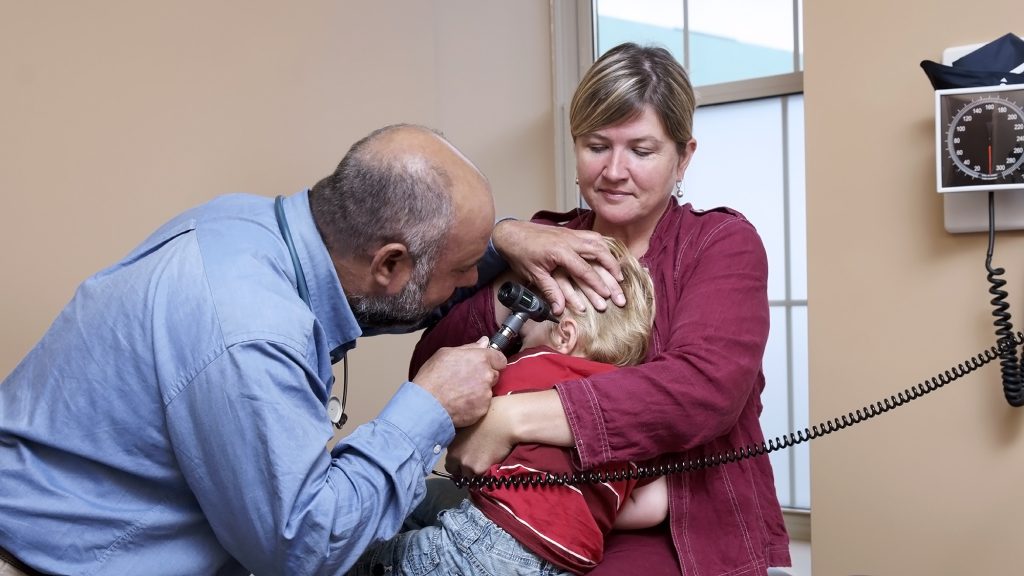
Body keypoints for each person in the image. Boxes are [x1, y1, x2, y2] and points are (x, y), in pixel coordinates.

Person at [0, 124, 624, 576]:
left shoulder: (248, 226)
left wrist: (506, 239)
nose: (473, 285)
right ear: (390, 263)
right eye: (464, 269)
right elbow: (301, 549)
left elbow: (382, 298)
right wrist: (427, 406)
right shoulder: (252, 332)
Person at [407, 43, 792, 575]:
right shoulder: (544, 241)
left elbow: (704, 389)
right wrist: (510, 260)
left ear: (684, 156)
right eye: (596, 146)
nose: (614, 171)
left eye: (642, 149)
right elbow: (430, 368)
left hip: (680, 528)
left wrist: (511, 417)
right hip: (523, 518)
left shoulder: (720, 243)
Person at [349, 237, 666, 576]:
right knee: (429, 496)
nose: (520, 331)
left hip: (488, 542)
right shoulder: (629, 407)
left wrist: (478, 364)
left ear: (564, 335)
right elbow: (654, 505)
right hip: (564, 564)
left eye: (533, 318)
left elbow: (464, 434)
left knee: (362, 561)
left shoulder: (536, 364)